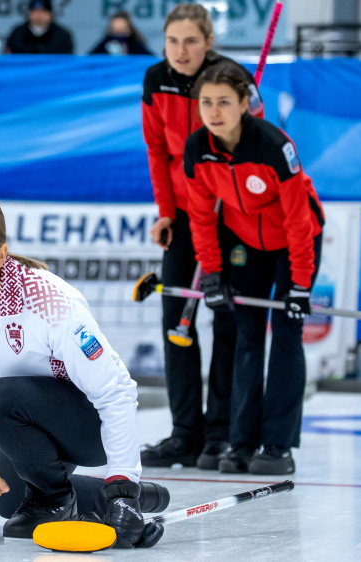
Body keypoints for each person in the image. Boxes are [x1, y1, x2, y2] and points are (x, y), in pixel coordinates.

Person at [0, 195, 169, 546]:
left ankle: (59, 499)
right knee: (8, 501)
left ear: (0, 255)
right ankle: (121, 496)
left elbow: (115, 391)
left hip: (88, 426)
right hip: (29, 416)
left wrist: (123, 485)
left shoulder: (49, 301)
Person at [184, 60, 325, 475]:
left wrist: (299, 285)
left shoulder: (273, 145)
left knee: (285, 332)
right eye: (206, 102)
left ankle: (278, 445)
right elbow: (202, 217)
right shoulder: (198, 149)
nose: (214, 111)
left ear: (246, 103)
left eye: (224, 102)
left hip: (294, 241)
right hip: (246, 241)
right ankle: (240, 442)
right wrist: (211, 272)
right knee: (246, 334)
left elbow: (300, 220)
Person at [139, 2, 264, 470]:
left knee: (226, 319)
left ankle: (220, 434)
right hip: (185, 217)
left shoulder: (232, 79)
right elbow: (156, 149)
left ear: (209, 41)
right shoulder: (156, 80)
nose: (181, 50)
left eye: (191, 40)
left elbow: (250, 141)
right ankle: (184, 433)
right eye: (173, 41)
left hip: (229, 215)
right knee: (178, 323)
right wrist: (166, 212)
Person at [4, 0, 73, 55]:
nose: (39, 15)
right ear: (29, 13)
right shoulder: (17, 33)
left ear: (50, 14)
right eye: (35, 11)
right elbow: (8, 58)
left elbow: (67, 62)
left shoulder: (62, 35)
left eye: (43, 12)